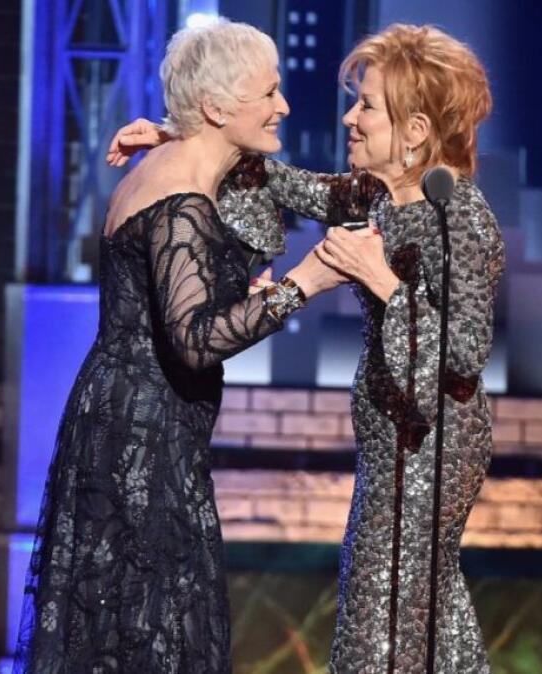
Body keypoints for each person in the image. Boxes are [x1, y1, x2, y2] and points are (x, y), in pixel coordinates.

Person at [110, 23, 504, 674]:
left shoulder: (458, 216)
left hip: (427, 444)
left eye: (368, 105)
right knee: (424, 608)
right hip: (392, 437)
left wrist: (378, 278)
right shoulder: (379, 196)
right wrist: (186, 139)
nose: (350, 117)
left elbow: (462, 356)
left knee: (381, 614)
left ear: (413, 132)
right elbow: (287, 184)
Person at [14, 19, 346, 672]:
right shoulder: (183, 202)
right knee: (157, 625)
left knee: (126, 623)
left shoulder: (171, 168)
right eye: (270, 93)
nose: (284, 106)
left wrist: (174, 131)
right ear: (219, 108)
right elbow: (195, 340)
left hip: (127, 418)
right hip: (145, 432)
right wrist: (305, 282)